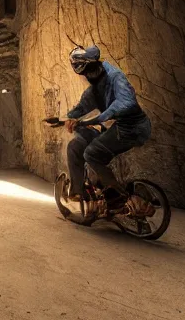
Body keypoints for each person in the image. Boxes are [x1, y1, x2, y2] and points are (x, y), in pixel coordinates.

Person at [64, 45, 152, 207]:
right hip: (115, 128)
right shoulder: (96, 86)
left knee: (92, 153)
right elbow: (84, 104)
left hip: (132, 128)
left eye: (86, 72)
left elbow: (126, 102)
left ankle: (116, 197)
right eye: (83, 74)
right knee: (76, 146)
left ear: (93, 65)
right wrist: (70, 117)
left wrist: (96, 119)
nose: (85, 77)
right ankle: (80, 192)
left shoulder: (116, 77)